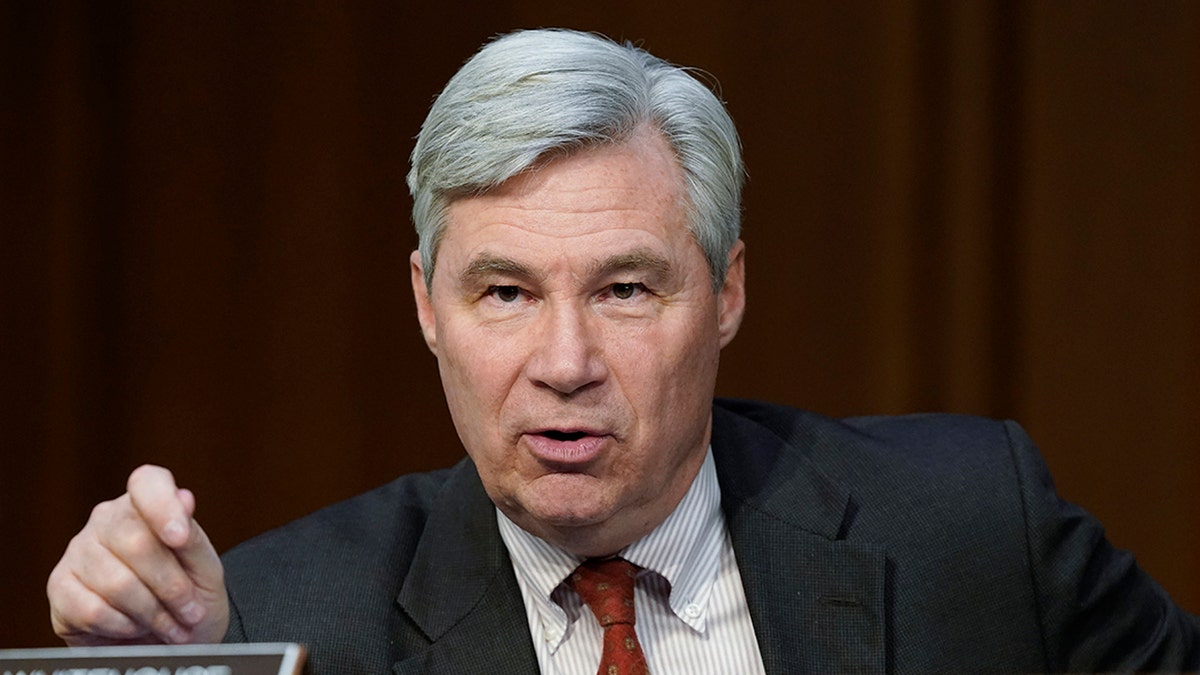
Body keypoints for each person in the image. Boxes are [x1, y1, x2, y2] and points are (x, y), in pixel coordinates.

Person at [46, 28, 1199, 674]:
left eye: (626, 289)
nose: (564, 360)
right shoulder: (278, 625)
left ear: (728, 291)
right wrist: (166, 670)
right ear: (426, 306)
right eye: (504, 291)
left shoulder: (975, 532)